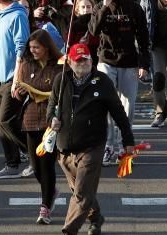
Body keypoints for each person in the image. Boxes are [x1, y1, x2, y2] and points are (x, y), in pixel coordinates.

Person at [48, 43, 134, 235]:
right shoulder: (60, 80)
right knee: (81, 191)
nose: (82, 63)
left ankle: (69, 230)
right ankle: (96, 218)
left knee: (81, 192)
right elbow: (51, 106)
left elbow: (119, 113)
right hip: (64, 147)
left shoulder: (102, 82)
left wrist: (128, 141)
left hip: (92, 146)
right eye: (78, 60)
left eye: (85, 59)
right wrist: (51, 119)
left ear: (92, 59)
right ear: (69, 62)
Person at [89, 0, 150, 166]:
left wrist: (144, 64)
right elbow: (93, 31)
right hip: (106, 60)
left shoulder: (134, 8)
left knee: (127, 106)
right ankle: (109, 146)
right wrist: (105, 7)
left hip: (129, 62)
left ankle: (126, 145)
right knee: (107, 104)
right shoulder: (100, 7)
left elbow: (143, 39)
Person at [15, 29, 62, 225]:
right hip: (31, 118)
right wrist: (18, 91)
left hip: (51, 122)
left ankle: (45, 208)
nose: (32, 51)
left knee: (47, 165)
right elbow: (23, 90)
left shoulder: (59, 66)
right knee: (35, 167)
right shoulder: (26, 65)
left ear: (46, 47)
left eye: (37, 47)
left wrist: (33, 90)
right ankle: (50, 191)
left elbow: (56, 93)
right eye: (30, 47)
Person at [0, 0, 31, 180]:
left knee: (7, 120)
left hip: (13, 78)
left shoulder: (18, 15)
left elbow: (21, 47)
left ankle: (36, 155)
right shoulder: (2, 18)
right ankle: (12, 164)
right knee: (0, 123)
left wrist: (17, 79)